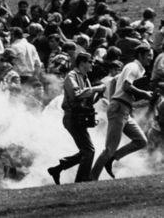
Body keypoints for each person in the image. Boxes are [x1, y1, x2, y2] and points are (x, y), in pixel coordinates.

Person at [91, 45, 152, 180]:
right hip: (119, 108)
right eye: (148, 55)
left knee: (141, 141)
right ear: (140, 55)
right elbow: (126, 86)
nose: (150, 58)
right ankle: (92, 178)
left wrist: (112, 98)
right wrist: (145, 94)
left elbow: (113, 81)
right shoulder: (133, 67)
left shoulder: (136, 68)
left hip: (123, 108)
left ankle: (112, 158)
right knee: (110, 148)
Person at [47, 53, 106, 184]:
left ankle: (58, 168)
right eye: (90, 61)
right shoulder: (72, 76)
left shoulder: (84, 77)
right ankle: (81, 180)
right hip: (72, 117)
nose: (92, 64)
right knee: (89, 151)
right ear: (82, 63)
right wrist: (97, 88)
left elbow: (88, 99)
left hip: (79, 117)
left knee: (86, 151)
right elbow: (77, 94)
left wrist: (98, 93)